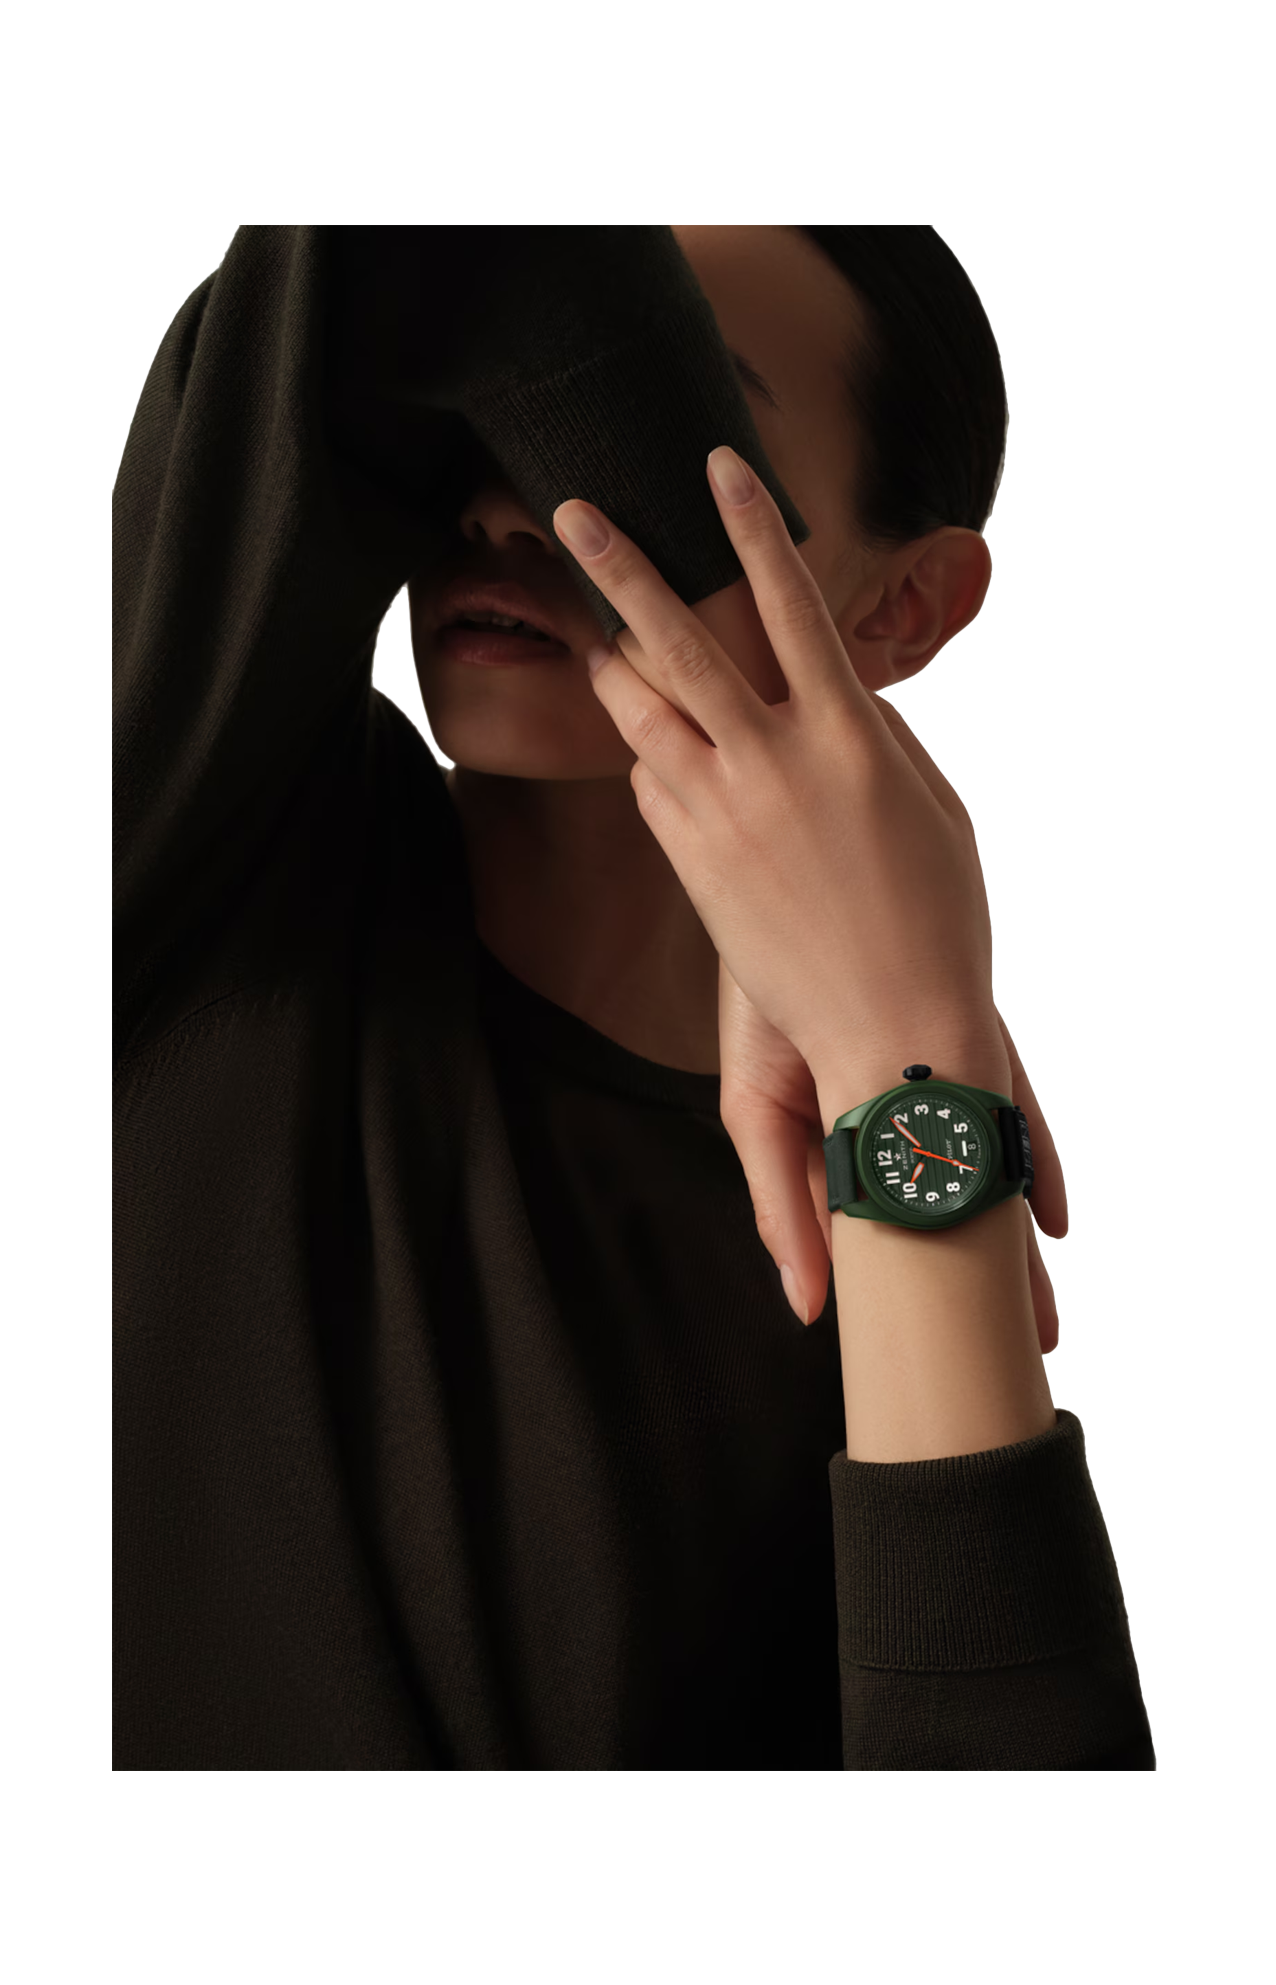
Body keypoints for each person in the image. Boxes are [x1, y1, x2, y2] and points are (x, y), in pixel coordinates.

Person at [114, 224, 1154, 1769]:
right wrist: (757, 698)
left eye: (679, 417)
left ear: (905, 608)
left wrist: (899, 1046)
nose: (498, 502)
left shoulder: (846, 1245)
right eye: (499, 411)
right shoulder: (200, 850)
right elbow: (444, 234)